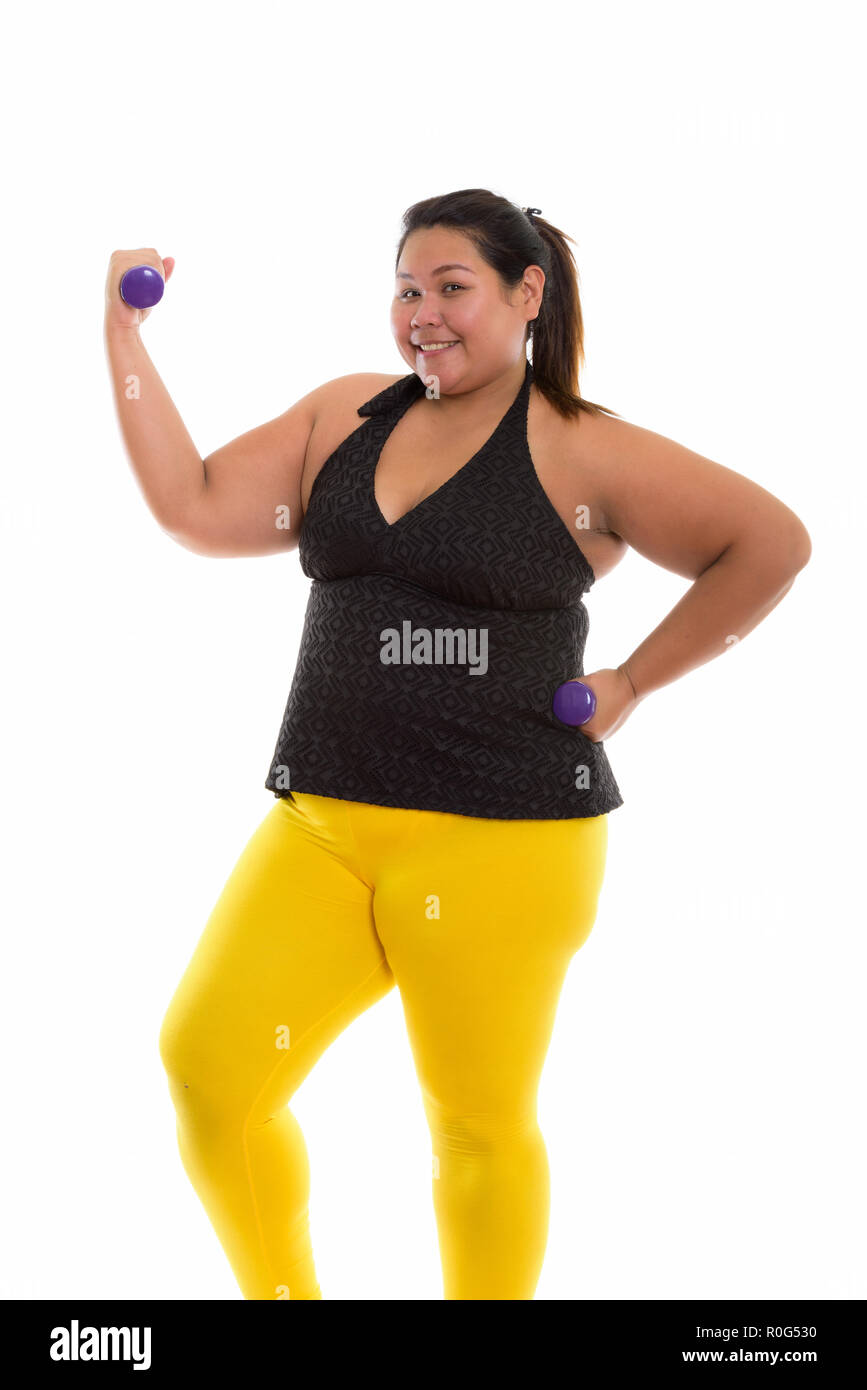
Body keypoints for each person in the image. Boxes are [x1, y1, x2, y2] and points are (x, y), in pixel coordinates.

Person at [103, 188, 812, 1300]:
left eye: (452, 288)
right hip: (325, 823)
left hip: (505, 840)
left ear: (527, 294)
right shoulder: (346, 414)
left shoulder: (582, 451)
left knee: (474, 1126)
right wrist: (125, 339)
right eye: (405, 288)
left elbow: (768, 542)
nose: (420, 312)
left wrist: (630, 681)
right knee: (209, 1066)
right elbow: (193, 508)